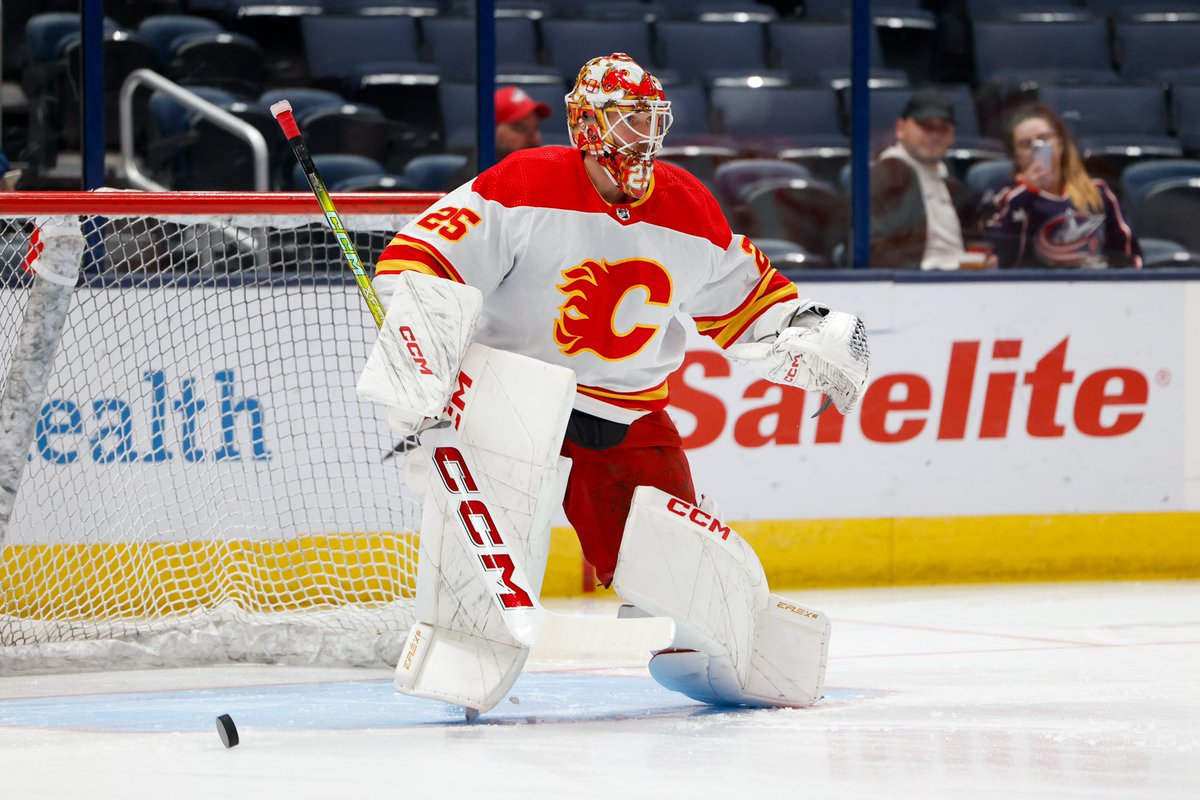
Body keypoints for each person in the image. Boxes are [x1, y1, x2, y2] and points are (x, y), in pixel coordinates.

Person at [368, 53, 870, 712]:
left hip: (626, 412)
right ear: (585, 122)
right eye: (621, 115)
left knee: (685, 564)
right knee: (481, 567)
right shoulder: (525, 182)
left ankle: (714, 654)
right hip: (513, 399)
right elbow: (420, 257)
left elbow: (744, 300)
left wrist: (808, 334)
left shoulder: (688, 205)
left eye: (646, 116)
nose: (636, 131)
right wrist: (423, 339)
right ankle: (462, 649)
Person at [983, 102, 1141, 269]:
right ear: (1015, 154)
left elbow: (1127, 254)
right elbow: (999, 258)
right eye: (1025, 144)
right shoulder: (1004, 197)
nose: (1035, 149)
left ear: (1061, 142)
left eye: (1044, 139)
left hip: (1094, 286)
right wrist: (1026, 192)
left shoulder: (1099, 192)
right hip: (1031, 288)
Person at [869, 88, 977, 269]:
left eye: (943, 128)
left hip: (963, 281)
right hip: (914, 284)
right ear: (901, 128)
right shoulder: (886, 176)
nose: (934, 135)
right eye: (926, 126)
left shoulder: (954, 187)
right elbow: (872, 248)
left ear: (952, 136)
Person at [441, 85, 550, 189]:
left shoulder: (546, 173)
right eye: (519, 128)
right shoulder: (469, 184)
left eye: (535, 127)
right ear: (491, 131)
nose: (532, 136)